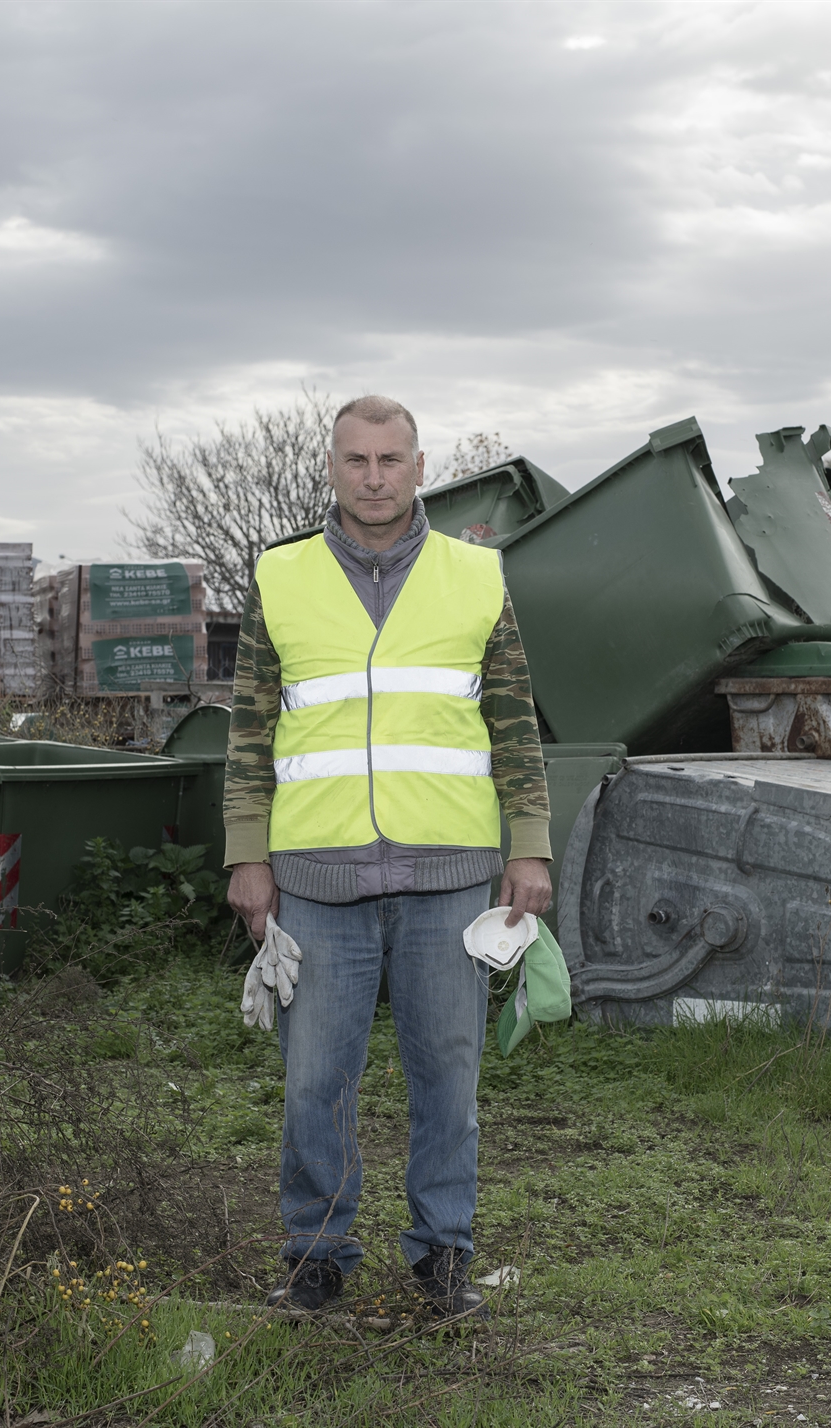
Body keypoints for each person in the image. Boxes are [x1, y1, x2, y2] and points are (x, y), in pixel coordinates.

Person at [222, 394, 552, 1318]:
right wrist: (248, 858)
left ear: (419, 466)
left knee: (448, 1076)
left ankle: (442, 1254)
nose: (374, 478)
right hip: (315, 879)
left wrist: (529, 848)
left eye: (391, 460)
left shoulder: (477, 577)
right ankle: (318, 1254)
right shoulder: (279, 577)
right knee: (312, 1084)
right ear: (332, 466)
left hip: (450, 876)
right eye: (357, 460)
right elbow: (248, 734)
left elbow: (515, 728)